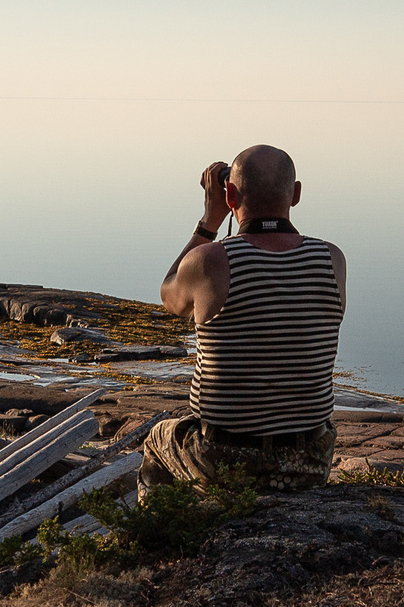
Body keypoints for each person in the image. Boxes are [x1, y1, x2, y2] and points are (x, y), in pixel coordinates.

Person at [144, 144, 347, 498]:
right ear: (295, 194)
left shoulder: (211, 261)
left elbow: (169, 296)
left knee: (158, 437)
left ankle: (160, 538)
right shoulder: (331, 260)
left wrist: (209, 222)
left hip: (225, 459)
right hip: (311, 460)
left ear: (230, 195)